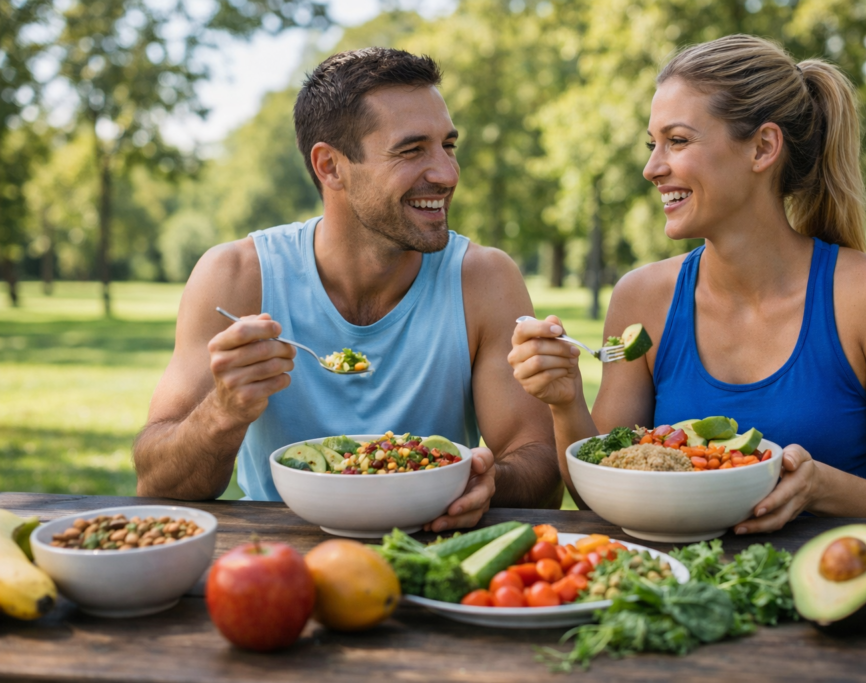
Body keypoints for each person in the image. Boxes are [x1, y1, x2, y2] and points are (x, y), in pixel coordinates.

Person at [509, 35, 866, 534]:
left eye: (677, 141)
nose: (652, 167)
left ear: (762, 147)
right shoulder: (642, 299)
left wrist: (822, 488)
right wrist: (564, 401)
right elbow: (604, 496)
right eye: (652, 143)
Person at [134, 48, 562, 531]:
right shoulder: (236, 276)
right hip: (274, 561)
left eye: (448, 146)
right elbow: (157, 483)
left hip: (432, 549)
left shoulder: (483, 279)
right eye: (412, 150)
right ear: (330, 166)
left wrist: (488, 481)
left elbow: (541, 468)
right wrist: (222, 412)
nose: (446, 173)